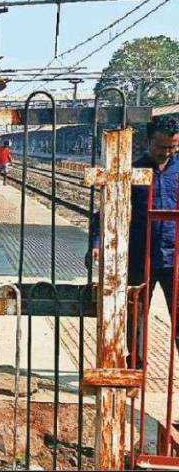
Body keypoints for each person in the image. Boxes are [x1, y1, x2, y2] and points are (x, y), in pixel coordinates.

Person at [90, 116, 179, 364]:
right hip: (140, 256)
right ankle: (134, 371)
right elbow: (106, 210)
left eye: (173, 147)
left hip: (175, 258)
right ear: (148, 141)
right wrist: (98, 243)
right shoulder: (131, 171)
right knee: (135, 318)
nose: (167, 152)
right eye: (162, 147)